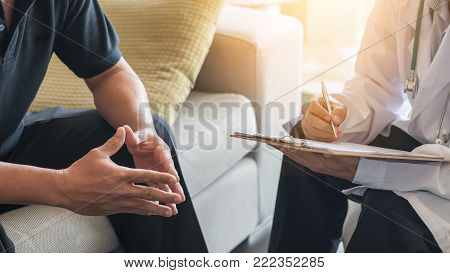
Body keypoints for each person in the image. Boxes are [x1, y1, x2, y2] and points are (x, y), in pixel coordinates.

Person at [0, 0, 207, 252]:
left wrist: (143, 133)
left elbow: (109, 73)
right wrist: (61, 187)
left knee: (136, 140)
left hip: (9, 141)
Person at [269, 0, 450, 253]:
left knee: (388, 209)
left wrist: (371, 169)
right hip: (426, 142)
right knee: (306, 146)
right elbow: (375, 85)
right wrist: (339, 115)